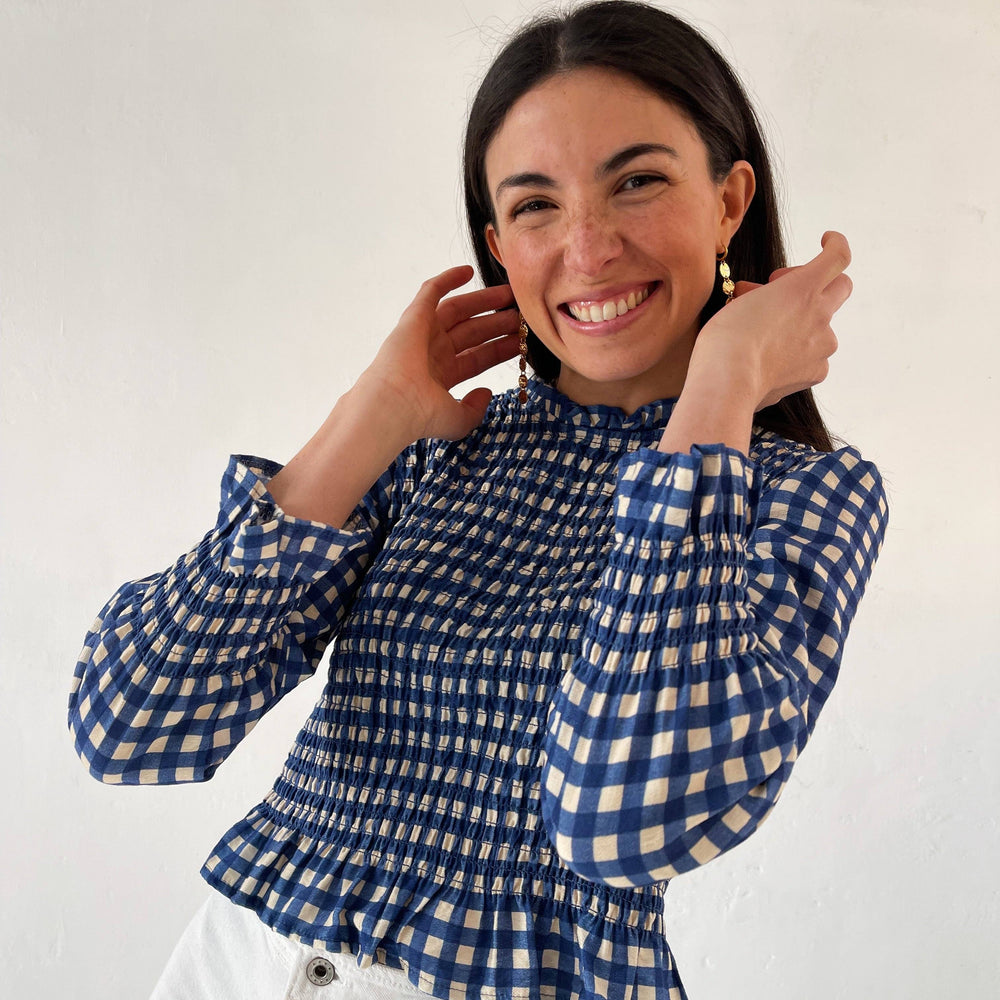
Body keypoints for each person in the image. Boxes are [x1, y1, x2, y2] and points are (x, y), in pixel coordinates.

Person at [68, 2, 888, 998]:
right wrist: (368, 415)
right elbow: (130, 725)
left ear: (729, 199)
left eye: (636, 182)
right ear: (496, 243)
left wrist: (724, 380)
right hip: (238, 960)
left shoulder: (796, 495)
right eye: (536, 205)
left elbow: (620, 821)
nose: (586, 248)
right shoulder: (433, 451)